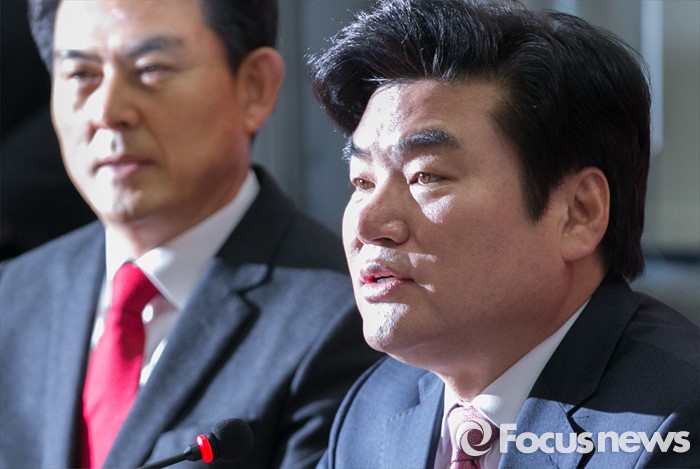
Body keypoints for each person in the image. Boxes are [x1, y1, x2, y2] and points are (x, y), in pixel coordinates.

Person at [308, 0, 700, 467]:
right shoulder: (376, 407)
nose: (368, 225)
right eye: (362, 181)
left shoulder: (677, 422)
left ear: (579, 213)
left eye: (425, 176)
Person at [0, 1, 380, 468]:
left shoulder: (345, 318)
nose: (108, 111)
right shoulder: (14, 295)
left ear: (255, 87)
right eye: (81, 74)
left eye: (151, 69)